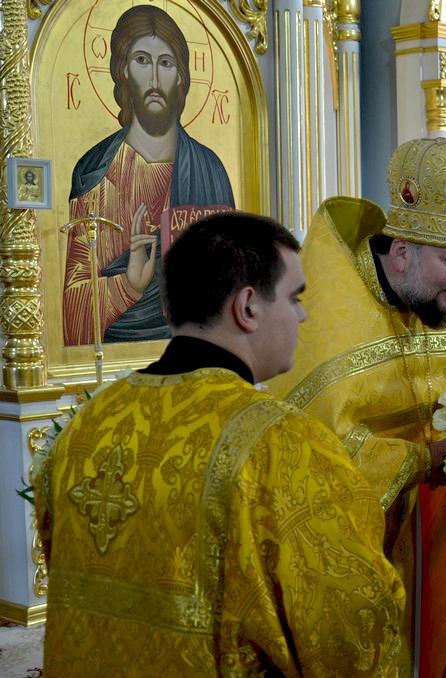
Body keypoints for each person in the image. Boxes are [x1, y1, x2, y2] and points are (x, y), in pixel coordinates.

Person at [35, 212, 404, 676]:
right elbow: (350, 628)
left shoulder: (86, 426)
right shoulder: (283, 443)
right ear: (247, 307)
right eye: (294, 298)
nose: (303, 315)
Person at [269, 138, 446, 677]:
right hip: (342, 572)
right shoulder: (329, 317)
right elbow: (316, 458)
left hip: (414, 557)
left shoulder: (421, 304)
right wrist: (425, 458)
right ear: (401, 254)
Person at [64, 4, 234, 346]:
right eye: (142, 60)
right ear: (123, 70)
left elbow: (232, 279)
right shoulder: (95, 174)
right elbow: (72, 308)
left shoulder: (211, 170)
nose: (155, 80)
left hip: (199, 355)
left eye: (166, 63)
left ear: (180, 76)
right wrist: (129, 284)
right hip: (113, 362)